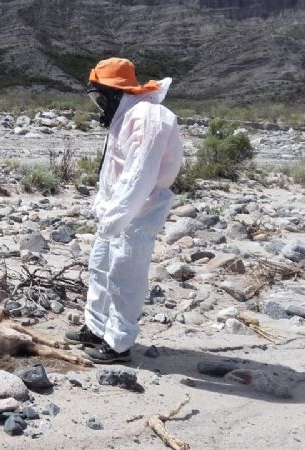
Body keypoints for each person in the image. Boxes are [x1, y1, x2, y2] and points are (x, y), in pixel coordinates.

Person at [64, 58, 183, 363]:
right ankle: (96, 327)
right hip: (117, 211)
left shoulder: (148, 117)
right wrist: (108, 213)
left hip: (138, 212)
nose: (98, 104)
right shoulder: (128, 114)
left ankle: (118, 344)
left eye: (99, 96)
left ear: (114, 92)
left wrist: (117, 217)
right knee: (102, 268)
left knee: (125, 276)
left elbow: (140, 175)